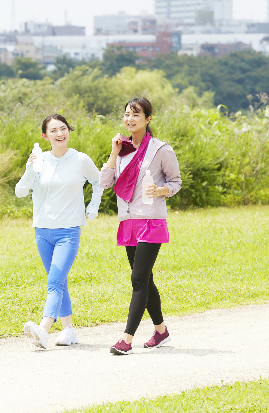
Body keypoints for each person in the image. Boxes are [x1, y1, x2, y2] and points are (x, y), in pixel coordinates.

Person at [99, 97, 182, 355]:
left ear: (148, 119)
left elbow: (176, 182)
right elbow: (104, 183)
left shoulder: (161, 149)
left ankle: (126, 339)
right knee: (146, 279)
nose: (130, 119)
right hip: (128, 221)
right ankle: (161, 331)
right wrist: (113, 152)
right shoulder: (122, 150)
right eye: (127, 114)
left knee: (137, 279)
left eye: (136, 114)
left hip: (151, 220)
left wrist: (161, 190)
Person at [16, 114, 104, 349]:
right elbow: (20, 192)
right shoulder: (39, 161)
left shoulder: (80, 159)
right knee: (58, 280)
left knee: (54, 281)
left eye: (63, 128)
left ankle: (43, 330)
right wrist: (29, 169)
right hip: (42, 231)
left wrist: (92, 207)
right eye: (53, 130)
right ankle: (69, 331)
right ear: (45, 136)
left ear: (68, 131)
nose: (60, 133)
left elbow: (99, 182)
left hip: (68, 230)